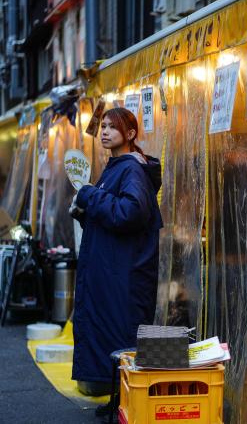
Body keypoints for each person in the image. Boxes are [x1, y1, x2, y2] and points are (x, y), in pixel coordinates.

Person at [69, 107, 162, 402]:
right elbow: (110, 216)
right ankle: (118, 402)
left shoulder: (132, 168)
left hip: (124, 276)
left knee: (123, 336)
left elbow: (131, 213)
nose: (104, 132)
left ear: (131, 134)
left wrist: (89, 195)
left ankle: (127, 403)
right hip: (111, 273)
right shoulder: (115, 167)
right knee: (113, 337)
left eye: (113, 127)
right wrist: (84, 212)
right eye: (103, 127)